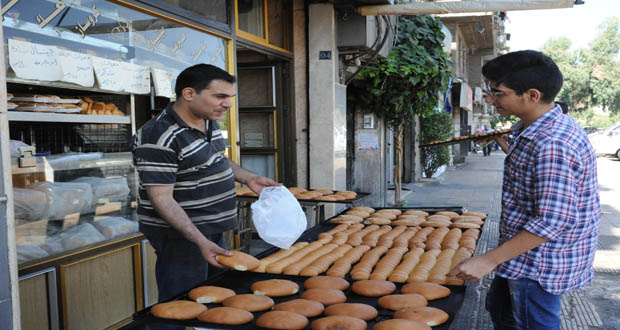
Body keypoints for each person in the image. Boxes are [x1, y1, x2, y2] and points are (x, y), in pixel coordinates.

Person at [448, 50, 600, 330]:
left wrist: (487, 261)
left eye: (498, 93)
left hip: (540, 263)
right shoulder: (536, 129)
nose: (491, 100)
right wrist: (510, 147)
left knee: (533, 323)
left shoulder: (553, 143)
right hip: (521, 255)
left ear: (532, 95)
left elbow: (553, 220)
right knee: (502, 311)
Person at [131, 64, 279, 302]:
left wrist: (248, 178)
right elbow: (161, 198)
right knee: (181, 307)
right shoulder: (158, 136)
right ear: (189, 94)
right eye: (220, 96)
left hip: (210, 231)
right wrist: (200, 241)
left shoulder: (208, 121)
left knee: (213, 300)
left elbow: (214, 159)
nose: (228, 104)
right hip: (182, 238)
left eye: (229, 97)